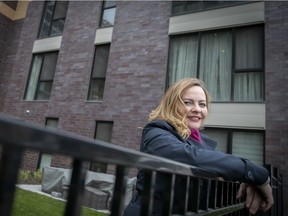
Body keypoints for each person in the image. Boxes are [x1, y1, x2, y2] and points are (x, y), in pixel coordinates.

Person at [123, 78, 273, 215]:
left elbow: (216, 177)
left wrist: (248, 183)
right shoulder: (156, 131)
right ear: (171, 104)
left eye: (202, 104)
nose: (197, 109)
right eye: (188, 102)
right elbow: (190, 156)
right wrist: (253, 171)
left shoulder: (204, 142)